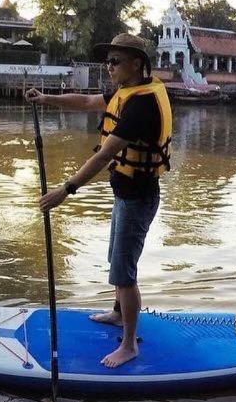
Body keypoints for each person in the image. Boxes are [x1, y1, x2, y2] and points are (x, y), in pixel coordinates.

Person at [24, 34, 172, 368]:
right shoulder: (128, 90)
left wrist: (66, 190)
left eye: (115, 61)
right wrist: (46, 98)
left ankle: (130, 344)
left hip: (138, 198)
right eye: (108, 61)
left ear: (136, 63)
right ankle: (119, 315)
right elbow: (90, 103)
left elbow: (105, 155)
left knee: (124, 273)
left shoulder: (141, 105)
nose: (109, 67)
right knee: (116, 260)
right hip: (125, 194)